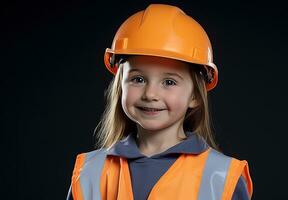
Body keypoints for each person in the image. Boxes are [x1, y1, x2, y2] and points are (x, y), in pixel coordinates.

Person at [66, 3, 253, 200]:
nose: (150, 94)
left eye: (169, 82)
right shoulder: (89, 173)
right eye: (138, 79)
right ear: (120, 86)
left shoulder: (222, 177)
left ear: (195, 96)